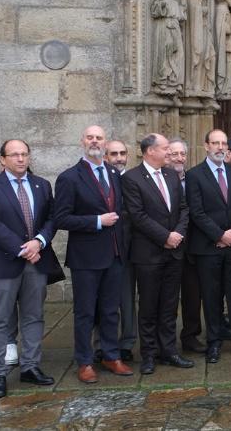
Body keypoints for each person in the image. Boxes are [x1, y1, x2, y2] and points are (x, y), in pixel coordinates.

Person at [0, 140, 59, 398]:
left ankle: (31, 367)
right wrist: (23, 248)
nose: (21, 159)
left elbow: (52, 218)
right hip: (5, 262)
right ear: (3, 159)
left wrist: (39, 242)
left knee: (34, 316)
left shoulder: (42, 185)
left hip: (37, 261)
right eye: (14, 155)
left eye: (24, 154)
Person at [54, 126, 133, 383]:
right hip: (86, 258)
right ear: (82, 141)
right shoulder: (69, 177)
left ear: (105, 142)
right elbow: (62, 218)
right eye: (90, 137)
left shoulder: (114, 173)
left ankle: (111, 355)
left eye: (99, 137)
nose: (95, 141)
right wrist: (97, 221)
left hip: (114, 255)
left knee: (111, 310)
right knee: (85, 312)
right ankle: (85, 361)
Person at [122, 133, 193, 374]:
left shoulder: (172, 175)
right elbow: (137, 215)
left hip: (174, 252)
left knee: (170, 305)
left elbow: (184, 209)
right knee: (149, 306)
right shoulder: (132, 178)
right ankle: (149, 354)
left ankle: (169, 351)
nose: (169, 153)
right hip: (148, 254)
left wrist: (178, 234)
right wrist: (165, 237)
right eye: (165, 149)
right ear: (150, 151)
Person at [185, 129, 231, 363]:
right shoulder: (194, 175)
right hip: (208, 247)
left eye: (223, 143)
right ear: (206, 146)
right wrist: (219, 235)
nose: (220, 147)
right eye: (215, 143)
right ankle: (214, 342)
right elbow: (196, 212)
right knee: (211, 296)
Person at [92, 140, 136, 362]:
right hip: (102, 249)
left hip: (129, 248)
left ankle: (127, 342)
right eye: (114, 154)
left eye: (122, 153)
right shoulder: (99, 179)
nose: (119, 158)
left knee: (126, 298)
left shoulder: (133, 179)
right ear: (106, 156)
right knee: (102, 300)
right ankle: (101, 343)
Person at [168, 138, 206, 355]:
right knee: (168, 299)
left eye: (182, 154)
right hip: (166, 247)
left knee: (193, 297)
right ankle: (166, 340)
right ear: (166, 156)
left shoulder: (193, 178)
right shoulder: (160, 178)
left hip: (192, 248)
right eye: (174, 154)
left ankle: (190, 336)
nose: (179, 158)